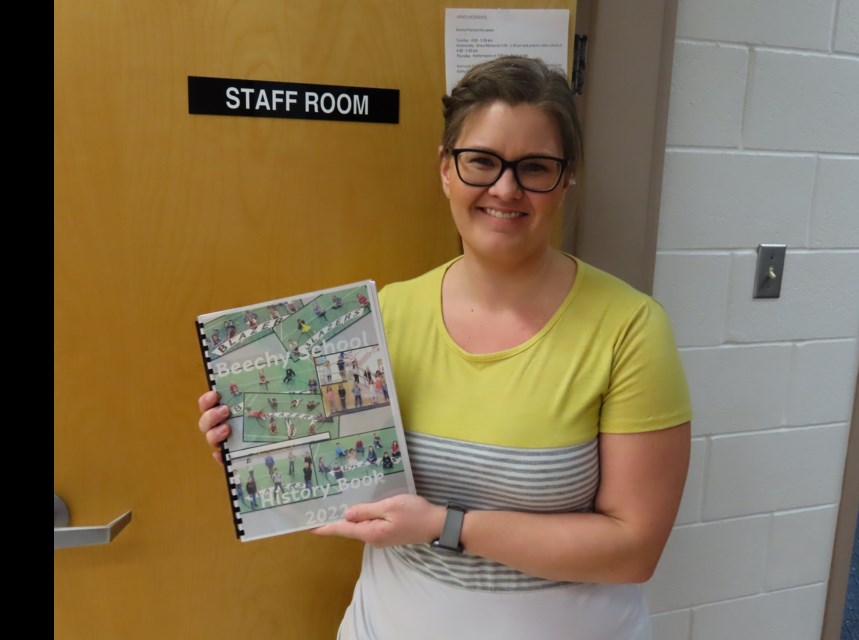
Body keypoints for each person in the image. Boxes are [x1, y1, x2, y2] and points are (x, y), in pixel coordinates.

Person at [197, 55, 691, 640]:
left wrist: (444, 524)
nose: (506, 188)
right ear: (446, 170)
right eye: (481, 160)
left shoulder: (630, 329)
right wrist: (257, 444)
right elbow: (336, 483)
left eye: (535, 167)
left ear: (566, 179)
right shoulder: (381, 316)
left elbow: (633, 549)